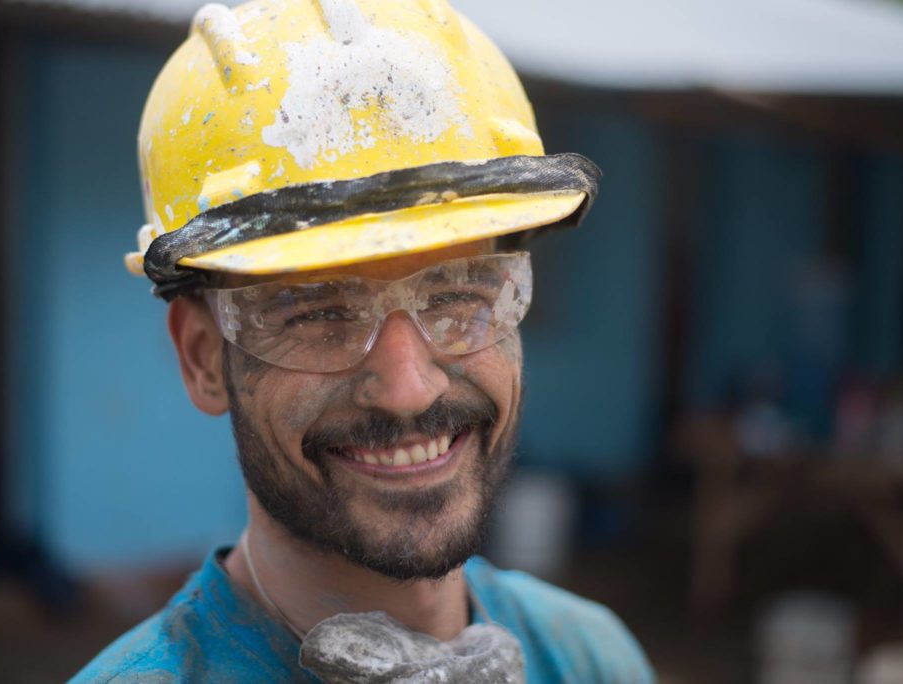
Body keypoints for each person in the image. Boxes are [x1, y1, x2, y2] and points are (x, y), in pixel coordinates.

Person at [74, 0, 654, 681]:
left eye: (459, 296)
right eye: (316, 313)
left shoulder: (590, 657)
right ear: (203, 357)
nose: (409, 388)